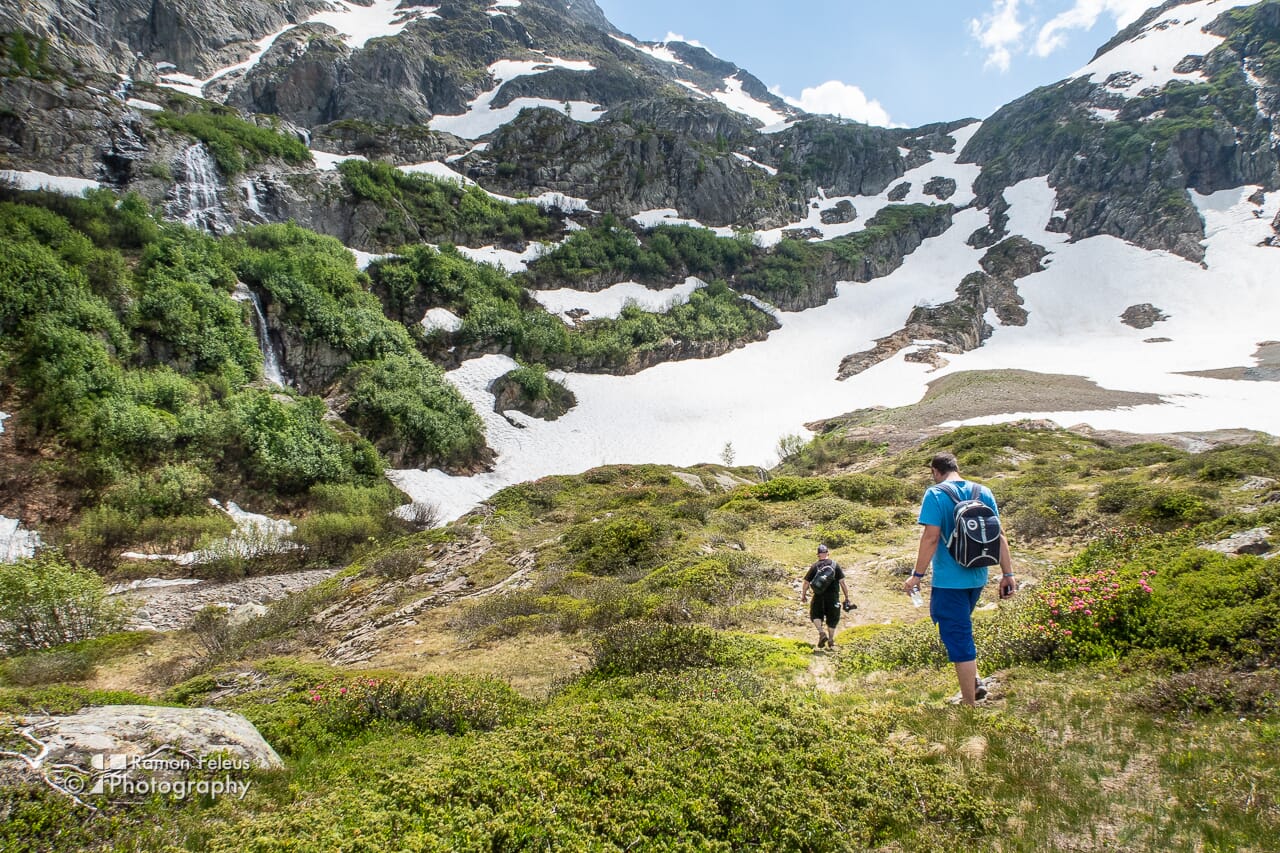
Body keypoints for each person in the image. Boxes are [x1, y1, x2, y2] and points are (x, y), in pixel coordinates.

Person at [904, 452, 1016, 705]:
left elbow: (931, 538)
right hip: (978, 577)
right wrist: (1007, 574)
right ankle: (974, 682)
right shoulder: (983, 491)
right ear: (956, 467)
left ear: (935, 471)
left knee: (958, 636)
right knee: (961, 628)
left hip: (948, 581)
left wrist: (917, 575)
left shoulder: (935, 494)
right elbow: (1000, 536)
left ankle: (969, 703)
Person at [801, 544, 851, 649]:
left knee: (815, 615)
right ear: (828, 553)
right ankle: (831, 640)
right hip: (833, 597)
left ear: (818, 555)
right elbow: (842, 583)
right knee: (832, 618)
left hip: (818, 596)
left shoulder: (815, 566)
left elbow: (806, 583)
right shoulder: (835, 565)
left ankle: (821, 632)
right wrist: (846, 597)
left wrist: (804, 595)